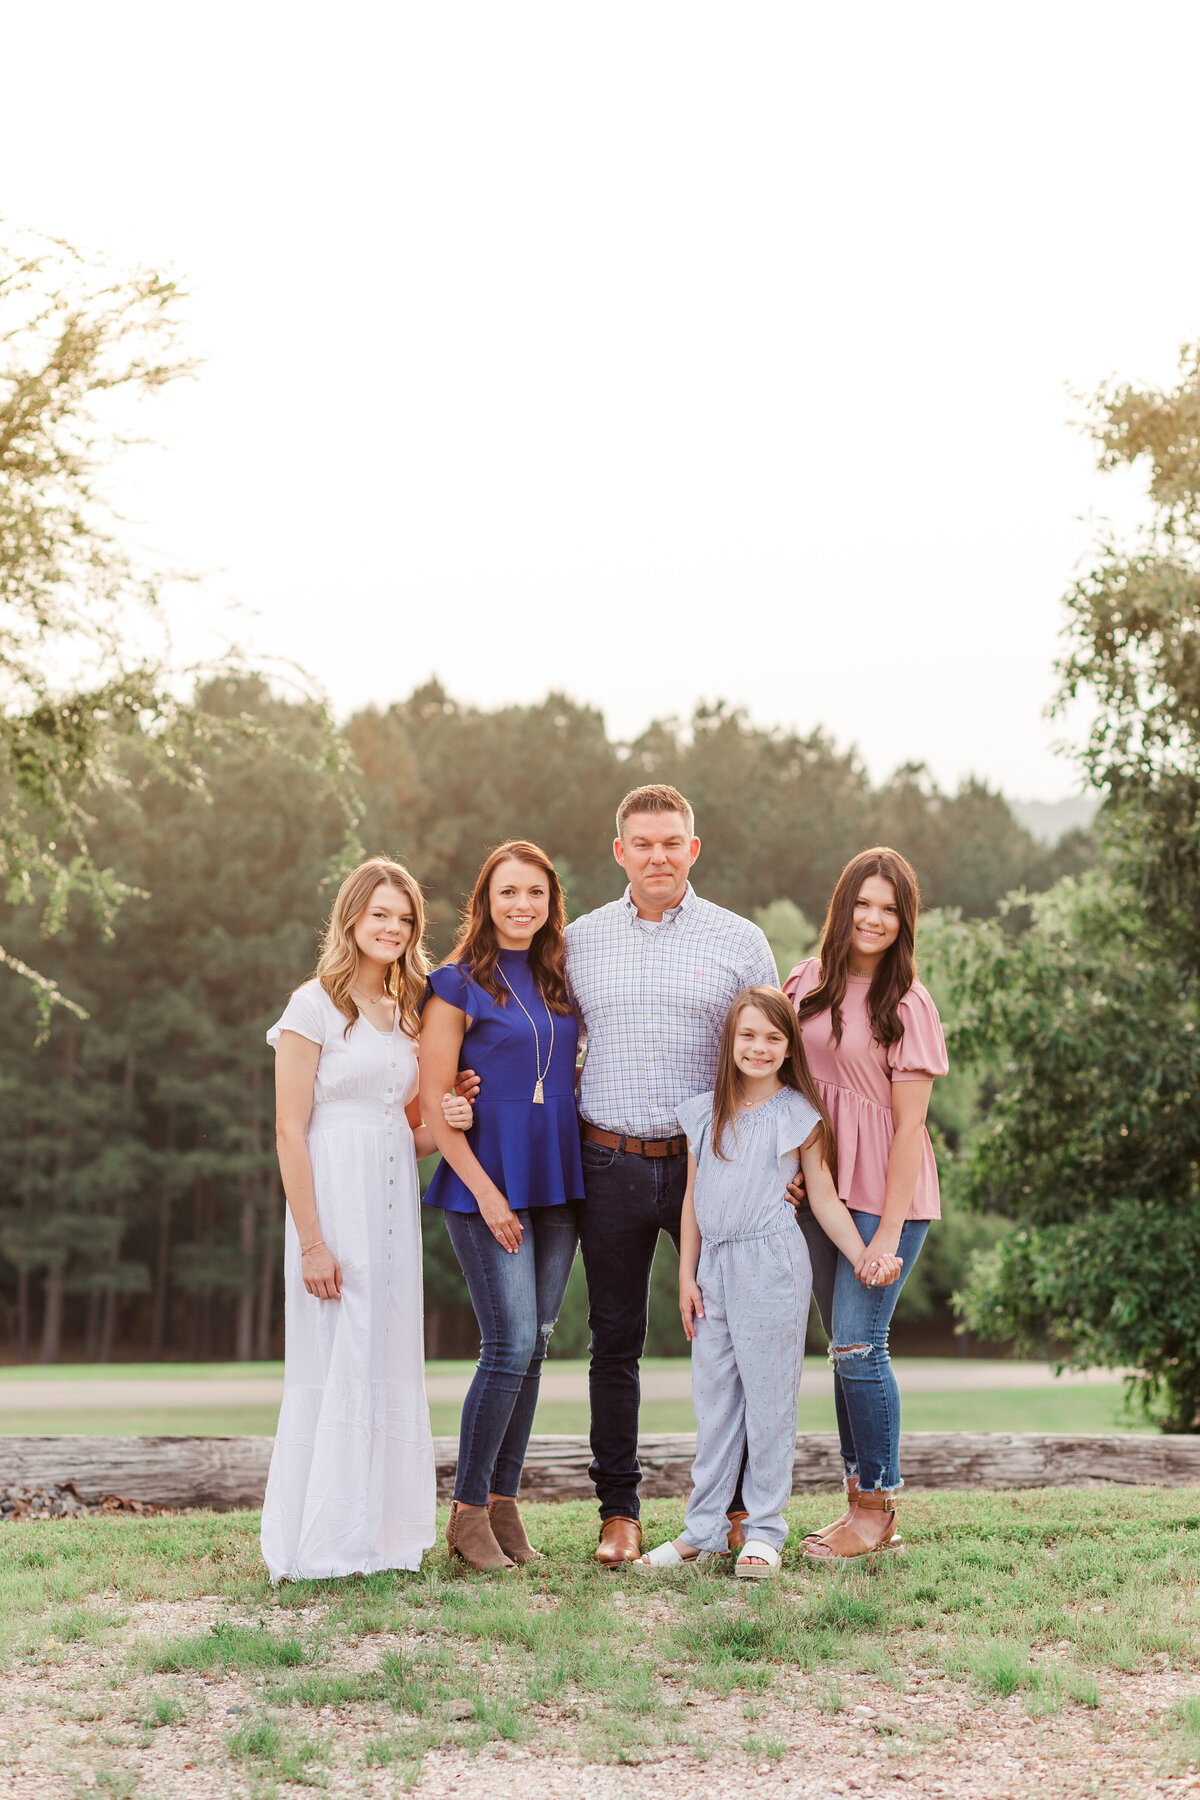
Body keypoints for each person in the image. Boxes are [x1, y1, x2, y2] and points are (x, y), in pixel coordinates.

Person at [564, 784, 779, 1568]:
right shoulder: (579, 940)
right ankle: (618, 1511)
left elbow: (770, 1056)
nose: (658, 855)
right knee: (614, 1340)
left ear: (694, 848)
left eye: (672, 842)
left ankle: (735, 1506)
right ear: (619, 851)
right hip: (609, 1158)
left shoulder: (739, 940)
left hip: (710, 1164)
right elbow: (546, 1042)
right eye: (642, 843)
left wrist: (777, 1161)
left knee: (727, 1338)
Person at [634, 987, 903, 1577]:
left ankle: (763, 1532)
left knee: (770, 1404)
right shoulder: (703, 1113)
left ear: (788, 1048)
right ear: (730, 1040)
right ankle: (701, 1531)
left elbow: (826, 1200)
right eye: (748, 1035)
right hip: (713, 1272)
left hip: (772, 1266)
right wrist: (686, 1275)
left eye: (773, 1038)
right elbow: (692, 1199)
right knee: (715, 1404)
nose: (759, 1047)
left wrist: (863, 1256)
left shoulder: (797, 1117)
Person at [262, 857, 473, 1582]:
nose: (393, 927)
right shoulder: (312, 1006)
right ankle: (322, 1540)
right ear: (352, 918)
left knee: (384, 1353)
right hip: (332, 1202)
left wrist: (451, 1114)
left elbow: (407, 1134)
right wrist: (312, 1243)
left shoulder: (410, 1011)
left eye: (406, 917)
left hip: (390, 1204)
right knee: (338, 1354)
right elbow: (290, 1130)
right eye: (380, 913)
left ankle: (381, 1537)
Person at [420, 840, 584, 1572]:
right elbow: (434, 1101)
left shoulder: (559, 981)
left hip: (557, 1182)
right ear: (484, 901)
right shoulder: (453, 984)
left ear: (552, 905)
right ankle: (467, 1511)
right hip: (486, 1185)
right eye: (508, 893)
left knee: (540, 1342)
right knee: (509, 1343)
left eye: (536, 895)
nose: (522, 906)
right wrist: (487, 1194)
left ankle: (506, 1506)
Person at [783, 846, 948, 1561]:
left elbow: (909, 1126)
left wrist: (885, 1232)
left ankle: (878, 1508)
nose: (874, 919)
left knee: (859, 1345)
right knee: (841, 1350)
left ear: (903, 920)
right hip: (818, 1192)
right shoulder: (805, 983)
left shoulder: (908, 1003)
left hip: (889, 1198)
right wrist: (792, 1167)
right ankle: (857, 1504)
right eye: (864, 904)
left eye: (890, 908)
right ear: (842, 906)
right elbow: (783, 1087)